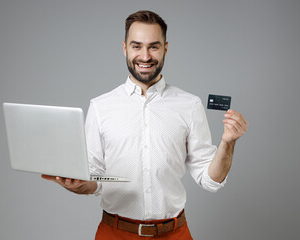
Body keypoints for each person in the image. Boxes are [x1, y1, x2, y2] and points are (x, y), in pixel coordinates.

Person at [42, 10, 248, 239]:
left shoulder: (189, 105)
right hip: (115, 233)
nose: (145, 56)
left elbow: (210, 180)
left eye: (154, 46)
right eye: (136, 46)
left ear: (165, 49)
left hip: (174, 234)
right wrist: (79, 185)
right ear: (124, 48)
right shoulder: (101, 107)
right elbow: (95, 179)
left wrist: (227, 143)